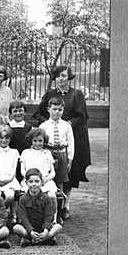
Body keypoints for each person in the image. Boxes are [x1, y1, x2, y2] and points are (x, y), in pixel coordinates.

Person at [34, 65, 91, 219]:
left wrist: (67, 124)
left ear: (69, 77)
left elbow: (82, 116)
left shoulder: (76, 95)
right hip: (52, 140)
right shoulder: (50, 94)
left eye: (64, 75)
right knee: (53, 174)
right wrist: (49, 123)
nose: (61, 79)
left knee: (69, 173)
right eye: (58, 76)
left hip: (71, 137)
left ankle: (66, 205)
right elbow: (38, 113)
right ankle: (52, 206)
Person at [13, 168, 62, 246]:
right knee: (16, 228)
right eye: (31, 182)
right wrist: (31, 231)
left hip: (43, 228)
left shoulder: (46, 198)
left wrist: (45, 231)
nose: (34, 184)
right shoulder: (22, 199)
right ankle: (42, 239)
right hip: (29, 228)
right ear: (26, 183)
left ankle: (40, 238)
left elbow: (49, 216)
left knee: (58, 227)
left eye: (37, 181)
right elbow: (23, 217)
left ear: (41, 182)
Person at [39, 96, 74, 202]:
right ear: (48, 109)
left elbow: (71, 143)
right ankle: (46, 206)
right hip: (48, 154)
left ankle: (59, 210)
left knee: (60, 182)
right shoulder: (43, 126)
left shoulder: (66, 126)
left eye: (60, 109)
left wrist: (70, 159)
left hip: (62, 154)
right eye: (54, 109)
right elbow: (40, 143)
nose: (57, 112)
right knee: (48, 179)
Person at [0, 125, 21, 221]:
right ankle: (0, 215)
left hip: (10, 181)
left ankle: (2, 212)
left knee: (10, 197)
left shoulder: (14, 152)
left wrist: (8, 180)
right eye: (1, 138)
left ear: (10, 139)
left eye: (7, 138)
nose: (4, 140)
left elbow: (14, 169)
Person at [19, 128, 57, 197]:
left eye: (40, 141)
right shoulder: (26, 152)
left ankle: (53, 208)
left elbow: (53, 172)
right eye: (35, 141)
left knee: (52, 195)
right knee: (30, 194)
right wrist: (30, 179)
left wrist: (46, 180)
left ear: (44, 141)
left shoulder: (47, 153)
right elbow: (22, 170)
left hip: (45, 181)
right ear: (31, 141)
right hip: (30, 181)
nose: (37, 143)